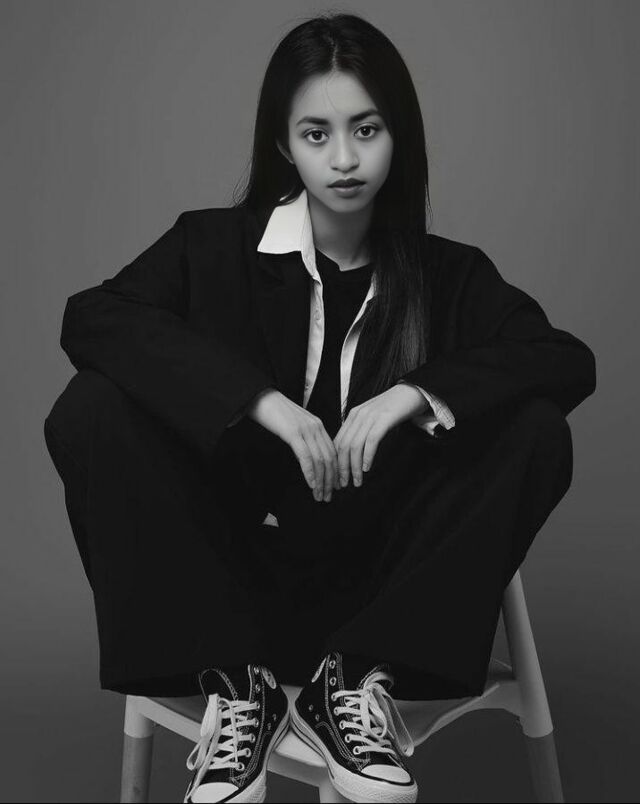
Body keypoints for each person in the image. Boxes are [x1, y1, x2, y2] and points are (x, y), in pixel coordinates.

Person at [43, 11, 596, 804]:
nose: (343, 159)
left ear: (398, 136)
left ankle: (351, 691)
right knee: (92, 405)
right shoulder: (210, 248)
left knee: (537, 429)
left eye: (366, 130)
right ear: (283, 144)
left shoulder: (450, 276)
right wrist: (255, 401)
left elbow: (564, 359)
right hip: (224, 596)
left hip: (389, 601)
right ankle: (240, 691)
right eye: (316, 134)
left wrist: (414, 394)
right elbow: (92, 319)